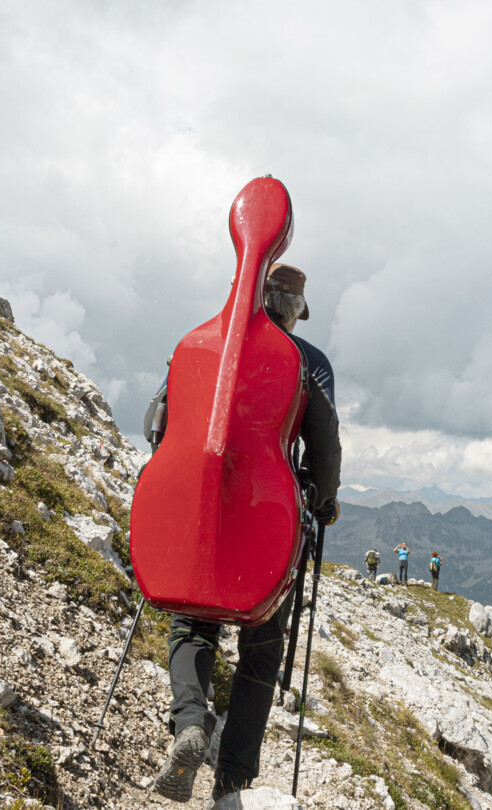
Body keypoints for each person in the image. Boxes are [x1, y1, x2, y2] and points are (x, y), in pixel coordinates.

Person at [147, 262, 342, 803]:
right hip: (269, 518)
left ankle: (189, 723)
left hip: (207, 506)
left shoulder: (208, 343)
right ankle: (231, 781)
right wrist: (323, 501)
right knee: (261, 645)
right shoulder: (311, 363)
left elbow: (156, 424)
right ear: (296, 312)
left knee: (192, 619)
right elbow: (323, 445)